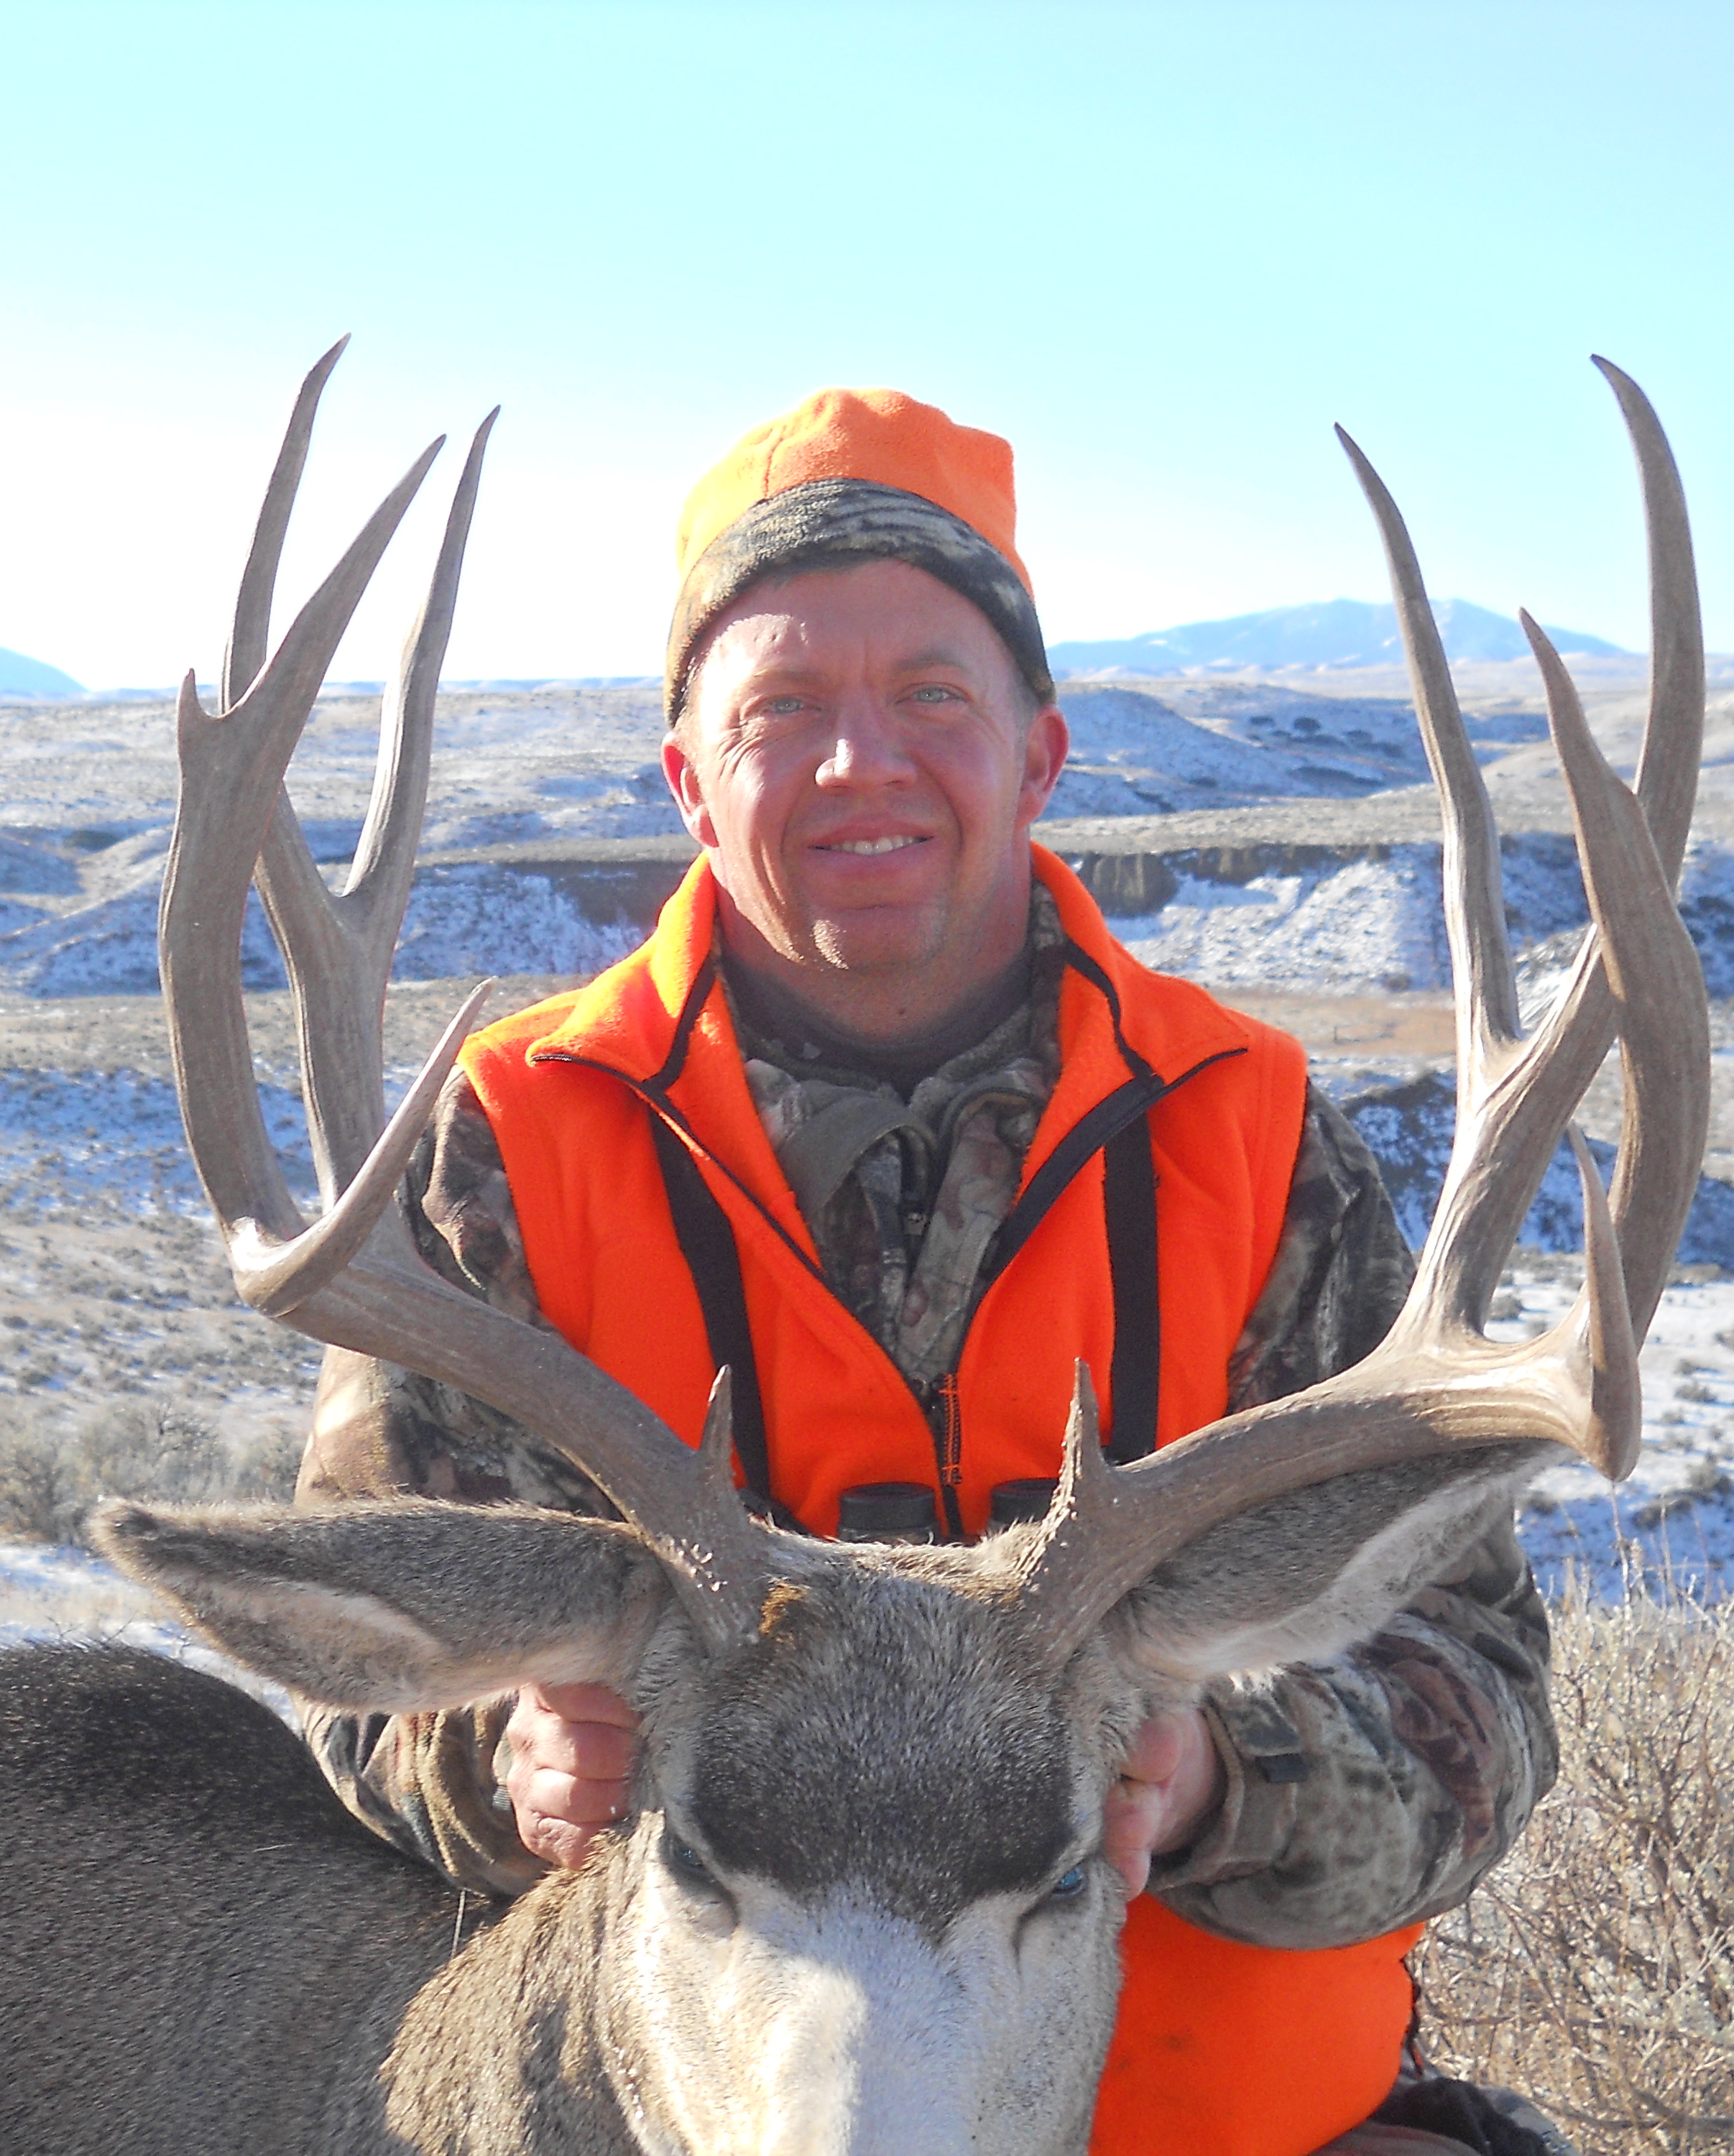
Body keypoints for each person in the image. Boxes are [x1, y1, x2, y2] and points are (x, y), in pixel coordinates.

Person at [295, 388, 1571, 2156]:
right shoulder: (506, 1151)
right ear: (686, 780)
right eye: (781, 709)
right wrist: (501, 1755)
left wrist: (1216, 1780)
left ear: (1036, 755)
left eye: (927, 699)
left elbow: (1475, 1700)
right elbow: (356, 1680)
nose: (854, 765)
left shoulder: (1247, 1139)